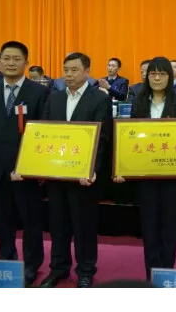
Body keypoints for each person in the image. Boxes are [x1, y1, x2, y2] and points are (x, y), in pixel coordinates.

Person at [114, 57, 176, 281]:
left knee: (170, 226)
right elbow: (129, 137)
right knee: (149, 226)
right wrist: (122, 166)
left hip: (171, 176)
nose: (157, 78)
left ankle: (167, 272)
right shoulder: (138, 101)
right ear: (147, 76)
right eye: (152, 74)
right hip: (145, 176)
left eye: (162, 74)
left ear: (170, 77)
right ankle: (151, 275)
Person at [0, 41, 46, 287]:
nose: (10, 63)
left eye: (16, 59)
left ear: (26, 62)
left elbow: (44, 132)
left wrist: (40, 167)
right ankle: (6, 261)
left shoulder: (39, 92)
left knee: (31, 220)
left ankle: (31, 264)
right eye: (6, 58)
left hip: (26, 167)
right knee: (2, 219)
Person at [38, 52, 111, 288]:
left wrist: (92, 169)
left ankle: (85, 270)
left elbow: (103, 138)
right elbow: (44, 132)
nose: (68, 75)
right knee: (57, 225)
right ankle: (58, 268)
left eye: (74, 70)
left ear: (87, 71)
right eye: (66, 70)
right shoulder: (54, 98)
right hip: (57, 173)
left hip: (83, 175)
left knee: (84, 226)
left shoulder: (99, 99)